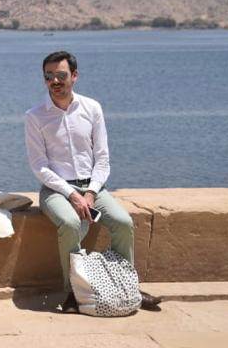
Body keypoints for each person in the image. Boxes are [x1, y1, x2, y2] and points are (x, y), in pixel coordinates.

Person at [24, 50, 161, 313]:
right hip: (56, 190)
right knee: (70, 223)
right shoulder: (35, 116)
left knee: (123, 223)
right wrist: (72, 194)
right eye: (49, 76)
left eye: (61, 75)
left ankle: (127, 288)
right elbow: (39, 166)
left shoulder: (92, 108)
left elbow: (103, 158)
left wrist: (90, 192)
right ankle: (72, 293)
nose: (55, 81)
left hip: (92, 188)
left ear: (74, 76)